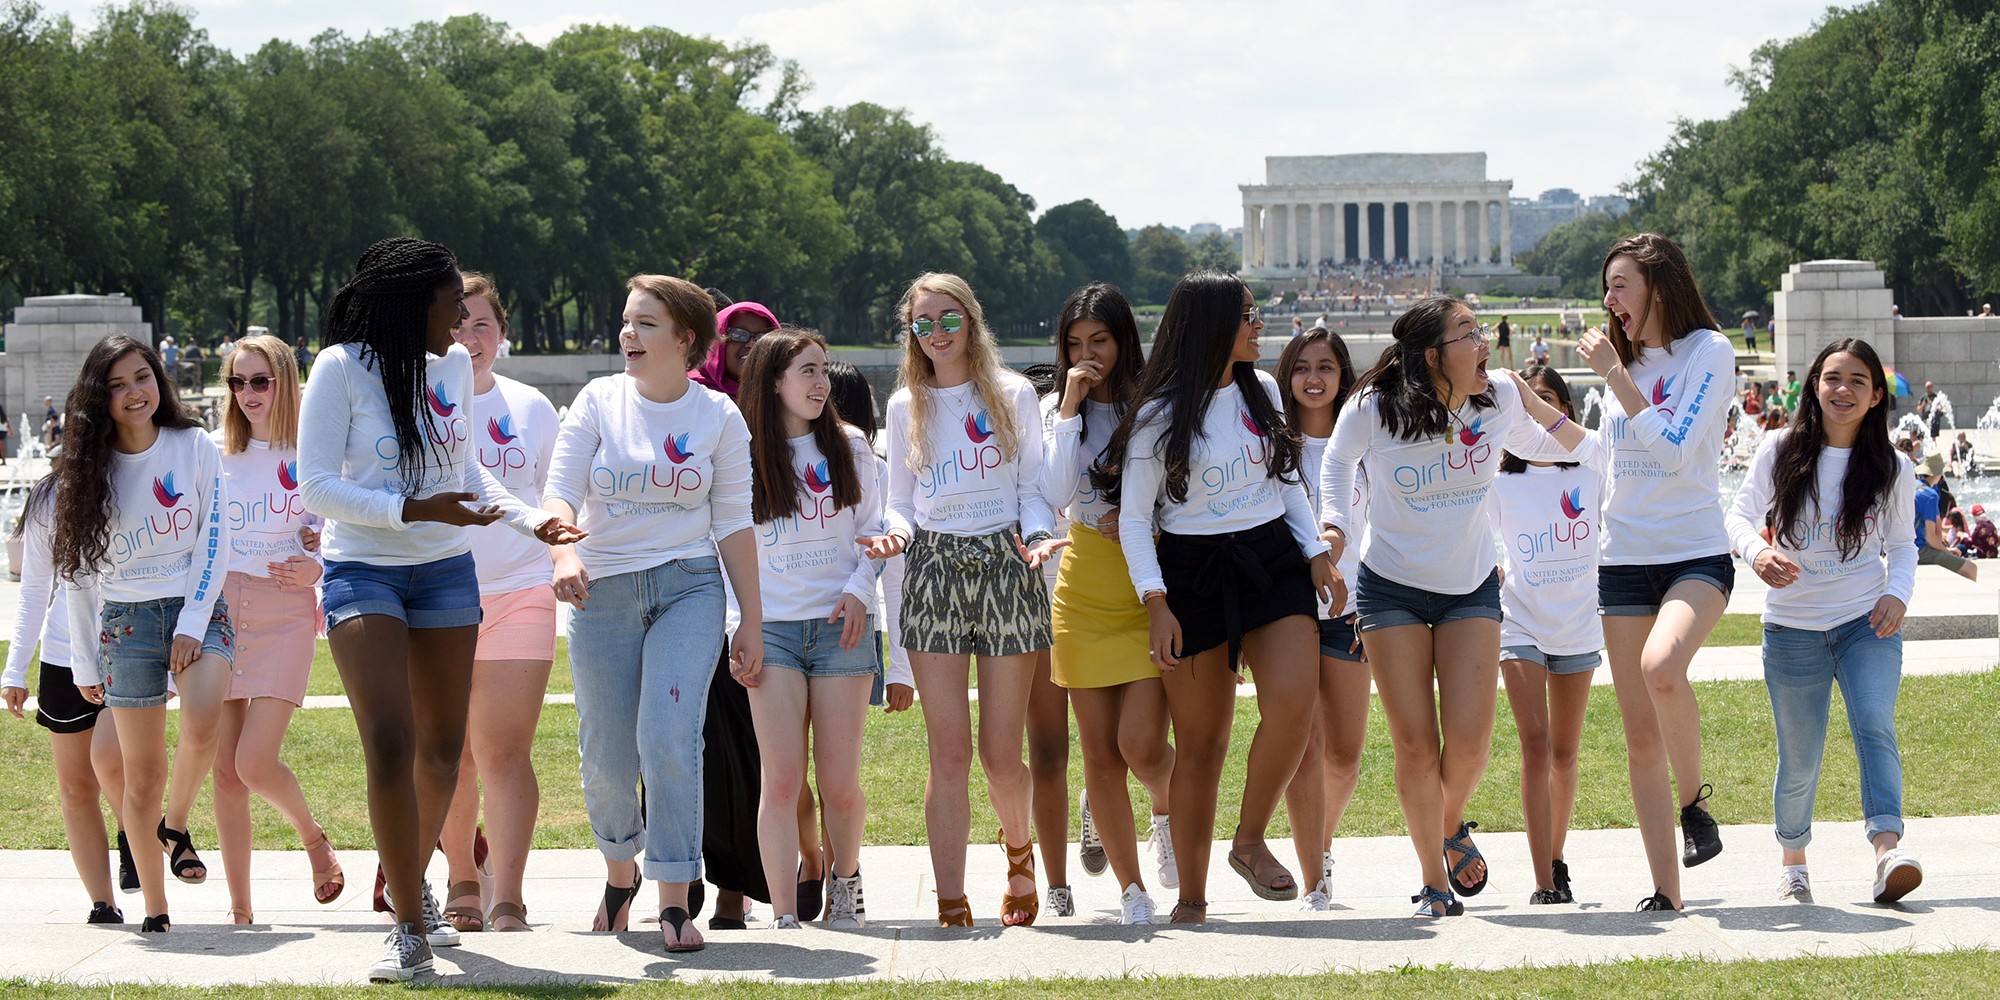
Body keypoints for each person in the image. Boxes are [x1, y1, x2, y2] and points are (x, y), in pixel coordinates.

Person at [297, 238, 581, 980]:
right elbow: (317, 487)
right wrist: (409, 508)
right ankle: (409, 927)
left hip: (446, 573)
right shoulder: (338, 368)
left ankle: (414, 889)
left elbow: (466, 471)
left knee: (443, 754)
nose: (463, 319)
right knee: (390, 740)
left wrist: (530, 522)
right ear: (411, 302)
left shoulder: (450, 369)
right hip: (363, 570)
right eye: (453, 304)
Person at [1323, 297, 1587, 918]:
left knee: (1468, 745)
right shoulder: (1375, 406)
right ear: (1433, 354)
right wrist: (1335, 528)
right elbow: (1337, 462)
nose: (1484, 343)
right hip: (1389, 589)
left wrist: (1623, 442)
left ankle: (1447, 824)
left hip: (1470, 587)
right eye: (1468, 333)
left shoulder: (1497, 397)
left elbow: (1556, 446)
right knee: (1415, 746)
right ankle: (1432, 882)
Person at [1092, 270, 1337, 923]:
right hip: (1191, 574)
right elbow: (1138, 522)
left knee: (1293, 702)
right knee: (1203, 745)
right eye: (1249, 315)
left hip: (1271, 562)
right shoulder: (1156, 414)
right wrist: (1156, 604)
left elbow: (1288, 486)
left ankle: (1250, 838)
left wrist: (1314, 552)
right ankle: (1194, 898)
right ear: (1213, 327)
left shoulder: (1263, 394)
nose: (1259, 326)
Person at [543, 272, 762, 954]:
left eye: (646, 324)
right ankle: (619, 874)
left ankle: (674, 900)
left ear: (686, 340)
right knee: (606, 755)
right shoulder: (599, 401)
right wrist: (562, 556)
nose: (627, 335)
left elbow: (732, 522)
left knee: (668, 736)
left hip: (687, 589)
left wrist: (749, 619)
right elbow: (558, 494)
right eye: (627, 321)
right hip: (600, 591)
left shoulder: (718, 417)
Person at [877, 271, 1067, 928]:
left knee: (998, 752)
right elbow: (900, 502)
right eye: (923, 323)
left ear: (971, 321)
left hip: (1007, 561)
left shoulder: (1012, 393)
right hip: (933, 565)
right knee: (948, 751)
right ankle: (951, 897)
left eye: (948, 318)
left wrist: (1043, 536)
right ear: (911, 333)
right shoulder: (906, 406)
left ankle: (1020, 853)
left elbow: (1035, 489)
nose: (936, 333)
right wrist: (892, 537)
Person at [1725, 338, 1923, 905]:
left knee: (1875, 724)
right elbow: (1737, 515)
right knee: (1800, 756)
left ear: (1875, 395)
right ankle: (1794, 861)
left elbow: (1903, 545)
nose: (1843, 389)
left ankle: (1887, 853)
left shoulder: (1893, 465)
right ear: (1814, 385)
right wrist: (1756, 553)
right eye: (1833, 377)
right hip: (1791, 630)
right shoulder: (1779, 448)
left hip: (1867, 624)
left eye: (1858, 380)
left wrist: (1898, 594)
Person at [1575, 232, 1740, 912]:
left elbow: (1673, 451)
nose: (1610, 301)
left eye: (1621, 285)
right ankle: (1666, 892)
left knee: (1662, 667)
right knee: (1640, 736)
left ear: (1659, 289)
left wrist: (1615, 376)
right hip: (1622, 560)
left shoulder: (1710, 352)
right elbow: (1608, 458)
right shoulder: (1625, 367)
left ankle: (1696, 803)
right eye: (1607, 287)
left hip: (1694, 552)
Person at [55, 336, 234, 935]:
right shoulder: (88, 474)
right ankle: (155, 907)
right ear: (98, 399)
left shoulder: (193, 445)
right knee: (142, 773)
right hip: (124, 624)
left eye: (143, 377)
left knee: (205, 715)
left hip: (198, 606)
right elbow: (77, 577)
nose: (135, 393)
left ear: (159, 380)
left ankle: (176, 824)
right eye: (117, 385)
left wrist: (190, 622)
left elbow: (214, 538)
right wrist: (85, 664)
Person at [737, 327, 891, 930]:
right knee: (780, 782)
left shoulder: (851, 448)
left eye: (824, 370)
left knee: (840, 783)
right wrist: (738, 625)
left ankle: (846, 884)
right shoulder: (741, 452)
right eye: (807, 370)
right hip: (770, 629)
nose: (822, 382)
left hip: (841, 629)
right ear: (773, 381)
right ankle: (783, 915)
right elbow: (726, 549)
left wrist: (860, 590)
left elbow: (877, 529)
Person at [1044, 282, 1176, 925]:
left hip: (1147, 586)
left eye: (1099, 341)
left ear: (1124, 341)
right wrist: (1069, 407)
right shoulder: (1060, 409)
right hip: (1085, 591)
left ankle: (1165, 810)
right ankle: (1132, 891)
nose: (1087, 355)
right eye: (1074, 344)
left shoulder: (1159, 402)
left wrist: (1139, 513)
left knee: (1143, 746)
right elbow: (1054, 490)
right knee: (1099, 754)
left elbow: (1182, 493)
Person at [437, 275, 563, 933]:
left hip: (520, 593)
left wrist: (569, 560)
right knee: (450, 751)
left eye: (481, 323)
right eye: (456, 323)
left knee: (504, 751)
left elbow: (556, 497)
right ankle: (463, 876)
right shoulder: (419, 406)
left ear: (502, 332)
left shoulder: (533, 409)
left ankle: (508, 893)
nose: (468, 336)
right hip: (437, 597)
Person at [209, 335, 345, 925]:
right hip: (220, 611)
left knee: (254, 763)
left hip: (286, 610)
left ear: (286, 381)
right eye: (237, 382)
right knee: (223, 771)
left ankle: (313, 839)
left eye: (259, 381)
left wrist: (318, 562)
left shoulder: (316, 453)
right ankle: (240, 909)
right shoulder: (213, 454)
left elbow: (345, 530)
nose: (247, 394)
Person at [691, 297, 789, 930]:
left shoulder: (788, 412)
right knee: (686, 746)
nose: (748, 346)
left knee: (749, 753)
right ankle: (680, 879)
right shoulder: (696, 404)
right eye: (738, 336)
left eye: (762, 337)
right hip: (691, 590)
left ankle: (738, 886)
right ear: (717, 344)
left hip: (761, 602)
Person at [1493, 365, 1605, 905]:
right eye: (1529, 402)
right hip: (1519, 624)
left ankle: (1557, 859)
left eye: (1551, 402)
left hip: (1579, 626)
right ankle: (1542, 880)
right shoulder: (1499, 481)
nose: (1540, 412)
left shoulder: (1591, 470)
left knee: (1564, 753)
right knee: (1535, 746)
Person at [4, 475, 134, 925]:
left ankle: (131, 833)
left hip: (128, 646)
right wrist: (14, 669)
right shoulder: (48, 495)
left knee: (112, 761)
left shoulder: (136, 473)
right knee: (77, 789)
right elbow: (35, 589)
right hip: (62, 657)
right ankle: (103, 902)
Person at [1277, 326, 1370, 911]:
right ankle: (1315, 876)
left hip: (1352, 608)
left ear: (1343, 376)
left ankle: (1322, 840)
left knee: (1344, 756)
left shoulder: (1364, 444)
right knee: (1305, 751)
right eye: (1303, 367)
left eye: (1327, 367)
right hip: (1287, 613)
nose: (1314, 378)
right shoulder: (1273, 447)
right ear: (1288, 377)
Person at [1914, 453, 1977, 581]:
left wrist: (1945, 550)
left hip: (1903, 548)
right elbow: (1930, 537)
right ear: (1939, 474)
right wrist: (1947, 552)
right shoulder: (1930, 495)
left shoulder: (1913, 486)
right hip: (1918, 551)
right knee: (1971, 568)